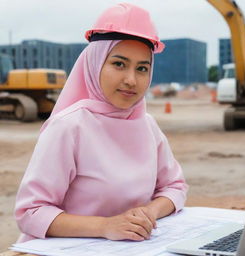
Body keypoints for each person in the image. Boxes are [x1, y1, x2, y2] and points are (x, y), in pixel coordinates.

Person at [15, 3, 188, 243]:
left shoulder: (147, 126)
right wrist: (106, 226)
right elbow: (30, 213)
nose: (131, 80)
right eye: (119, 64)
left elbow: (175, 187)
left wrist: (149, 212)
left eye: (142, 68)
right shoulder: (70, 127)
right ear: (95, 63)